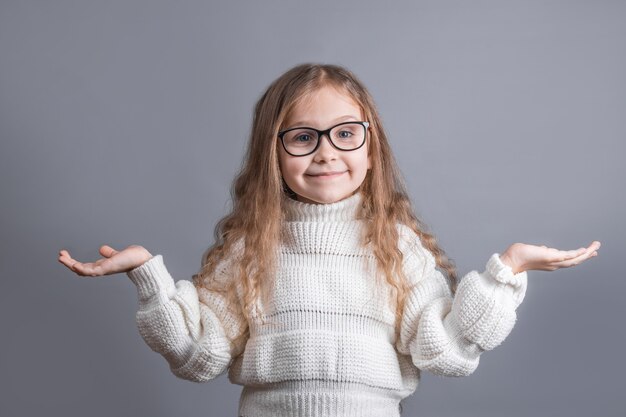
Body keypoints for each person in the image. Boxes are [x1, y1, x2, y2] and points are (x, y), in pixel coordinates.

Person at [58, 63, 601, 417]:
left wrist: (507, 271)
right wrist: (148, 277)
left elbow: (447, 350)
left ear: (371, 148)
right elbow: (197, 356)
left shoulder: (396, 246)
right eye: (302, 137)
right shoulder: (250, 250)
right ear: (273, 152)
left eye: (345, 133)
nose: (325, 152)